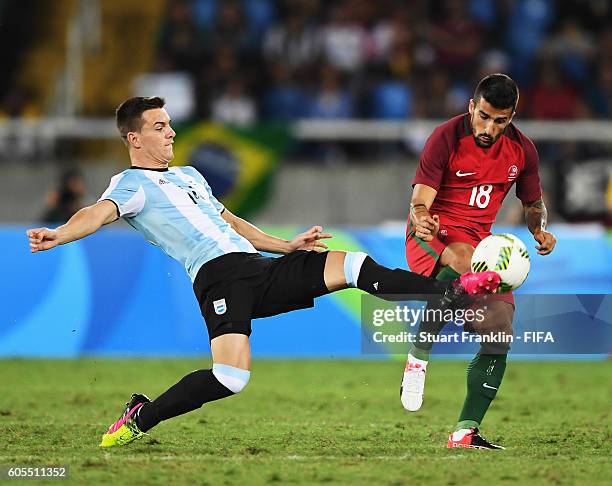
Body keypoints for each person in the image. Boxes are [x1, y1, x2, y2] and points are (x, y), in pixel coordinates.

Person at [27, 96, 500, 448]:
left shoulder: (190, 176)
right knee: (231, 378)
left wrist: (287, 245)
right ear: (135, 138)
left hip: (257, 267)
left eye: (170, 125)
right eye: (160, 127)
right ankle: (139, 418)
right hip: (218, 279)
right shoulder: (130, 185)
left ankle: (454, 289)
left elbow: (230, 223)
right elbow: (94, 213)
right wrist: (59, 234)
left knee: (352, 266)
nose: (171, 133)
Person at [402, 74, 557, 449]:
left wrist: (539, 230)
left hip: (482, 247)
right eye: (484, 116)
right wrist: (422, 218)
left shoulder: (523, 150)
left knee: (500, 334)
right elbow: (420, 200)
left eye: (499, 121)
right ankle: (418, 357)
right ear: (472, 106)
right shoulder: (446, 136)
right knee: (460, 258)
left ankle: (465, 431)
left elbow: (533, 204)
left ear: (512, 116)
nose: (489, 127)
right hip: (431, 237)